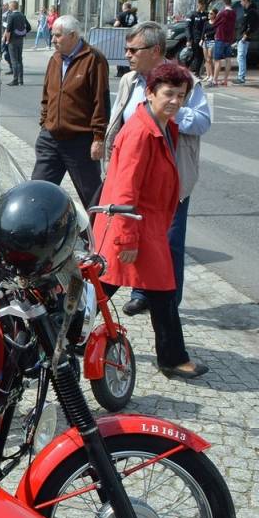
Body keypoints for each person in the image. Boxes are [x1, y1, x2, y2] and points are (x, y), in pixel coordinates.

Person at [94, 62, 207, 380]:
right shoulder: (141, 132)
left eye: (180, 95)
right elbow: (125, 189)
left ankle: (65, 332)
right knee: (155, 288)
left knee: (106, 285)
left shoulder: (163, 125)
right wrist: (127, 239)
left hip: (146, 224)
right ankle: (173, 359)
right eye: (169, 94)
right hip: (133, 225)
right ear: (150, 93)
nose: (175, 101)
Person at [104, 20, 211, 315]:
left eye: (133, 49)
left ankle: (167, 303)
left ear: (155, 50)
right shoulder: (129, 80)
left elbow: (203, 122)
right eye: (127, 49)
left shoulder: (186, 81)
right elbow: (118, 118)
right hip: (134, 173)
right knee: (129, 236)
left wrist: (169, 110)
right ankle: (140, 293)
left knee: (168, 242)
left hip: (169, 178)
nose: (127, 54)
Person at [32, 14, 110, 208]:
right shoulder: (55, 58)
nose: (53, 39)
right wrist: (45, 124)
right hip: (51, 138)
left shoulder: (93, 59)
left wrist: (99, 137)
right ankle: (41, 227)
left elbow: (100, 100)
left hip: (79, 140)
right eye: (53, 35)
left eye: (58, 35)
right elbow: (47, 95)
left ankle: (98, 227)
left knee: (91, 196)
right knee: (36, 193)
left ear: (73, 35)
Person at [212, 0, 236, 87]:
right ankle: (225, 80)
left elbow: (214, 24)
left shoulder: (222, 13)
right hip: (229, 39)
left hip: (220, 37)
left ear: (224, 2)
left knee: (217, 60)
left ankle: (214, 80)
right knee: (228, 59)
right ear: (230, 2)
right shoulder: (234, 13)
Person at [3, 0, 29, 85]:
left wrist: (6, 40)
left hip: (12, 40)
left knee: (14, 60)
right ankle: (21, 80)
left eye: (10, 6)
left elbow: (8, 29)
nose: (9, 7)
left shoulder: (11, 16)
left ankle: (15, 80)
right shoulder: (22, 15)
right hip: (20, 40)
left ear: (12, 7)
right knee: (19, 60)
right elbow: (28, 27)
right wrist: (22, 33)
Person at [234, 0, 258, 85]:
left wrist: (245, 36)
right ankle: (241, 76)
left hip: (244, 37)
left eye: (241, 1)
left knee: (241, 57)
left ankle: (241, 77)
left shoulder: (251, 11)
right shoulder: (247, 11)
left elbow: (252, 26)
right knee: (240, 57)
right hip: (241, 36)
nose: (241, 3)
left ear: (246, 0)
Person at [114, 2, 138, 76]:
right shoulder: (134, 15)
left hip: (121, 36)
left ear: (124, 7)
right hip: (131, 37)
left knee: (120, 53)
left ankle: (120, 71)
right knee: (129, 52)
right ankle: (127, 70)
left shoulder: (121, 14)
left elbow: (116, 25)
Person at [185, 0, 207, 77]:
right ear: (199, 5)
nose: (203, 7)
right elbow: (187, 27)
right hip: (195, 39)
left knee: (200, 56)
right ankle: (185, 68)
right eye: (202, 5)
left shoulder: (205, 15)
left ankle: (197, 73)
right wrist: (189, 39)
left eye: (204, 5)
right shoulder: (192, 15)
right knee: (194, 55)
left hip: (202, 38)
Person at [201, 7, 218, 83]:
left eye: (211, 13)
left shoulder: (216, 23)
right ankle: (208, 75)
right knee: (206, 59)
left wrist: (207, 35)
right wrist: (202, 39)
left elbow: (215, 31)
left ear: (215, 15)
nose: (209, 15)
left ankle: (212, 75)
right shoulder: (206, 23)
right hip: (205, 41)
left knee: (209, 58)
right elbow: (203, 31)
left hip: (212, 41)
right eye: (209, 13)